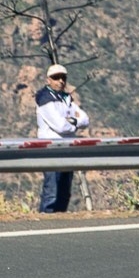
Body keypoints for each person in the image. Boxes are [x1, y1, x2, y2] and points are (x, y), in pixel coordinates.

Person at [35, 63, 90, 213]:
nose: (60, 81)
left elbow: (85, 119)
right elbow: (60, 126)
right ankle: (45, 224)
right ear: (48, 80)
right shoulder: (44, 98)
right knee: (51, 192)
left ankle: (58, 223)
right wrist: (74, 123)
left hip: (67, 149)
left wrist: (73, 122)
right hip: (51, 150)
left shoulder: (66, 98)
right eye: (56, 78)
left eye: (63, 78)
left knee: (64, 192)